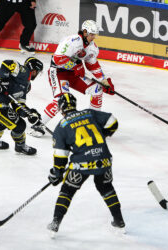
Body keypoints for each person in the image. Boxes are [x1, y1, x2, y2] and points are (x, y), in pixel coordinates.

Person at [46, 93, 125, 237]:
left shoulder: (61, 126)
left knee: (67, 190)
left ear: (61, 109)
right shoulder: (89, 113)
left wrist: (57, 172)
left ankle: (55, 223)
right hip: (104, 159)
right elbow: (113, 122)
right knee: (106, 187)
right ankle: (119, 221)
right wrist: (103, 134)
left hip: (81, 164)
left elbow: (60, 155)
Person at [29, 20, 115, 138]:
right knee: (62, 100)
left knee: (97, 89)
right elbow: (58, 59)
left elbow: (93, 65)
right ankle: (38, 124)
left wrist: (104, 82)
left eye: (94, 35)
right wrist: (75, 66)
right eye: (91, 34)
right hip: (58, 72)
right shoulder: (72, 41)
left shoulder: (92, 48)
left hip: (73, 74)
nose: (93, 37)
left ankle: (93, 123)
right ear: (84, 32)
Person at [0, 57, 43, 155]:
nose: (37, 74)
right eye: (37, 72)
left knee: (2, 122)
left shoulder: (27, 86)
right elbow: (6, 63)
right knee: (20, 125)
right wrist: (4, 80)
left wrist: (29, 113)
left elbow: (17, 104)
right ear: (34, 70)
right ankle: (20, 146)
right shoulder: (23, 71)